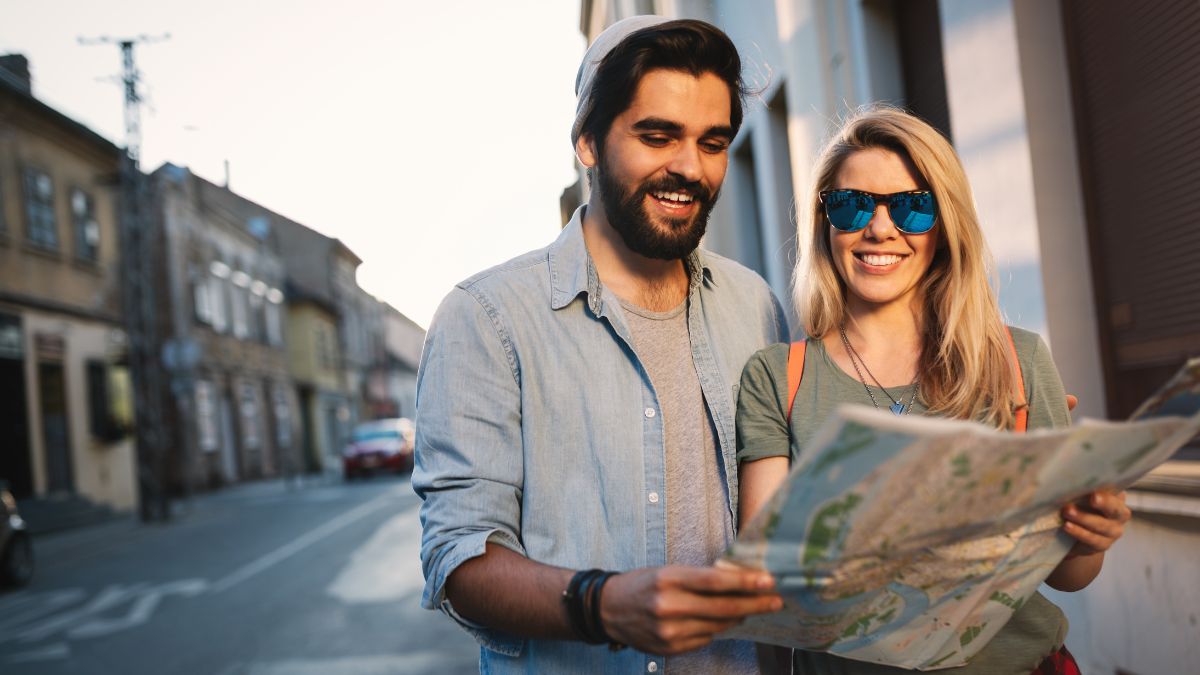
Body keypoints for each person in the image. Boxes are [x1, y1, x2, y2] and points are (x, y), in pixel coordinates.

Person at [413, 16, 790, 674]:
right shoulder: (486, 317)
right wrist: (603, 603)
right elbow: (460, 556)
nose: (689, 167)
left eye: (713, 141)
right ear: (587, 141)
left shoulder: (753, 302)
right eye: (656, 135)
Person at [735, 106, 1131, 674]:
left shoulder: (1017, 362)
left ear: (944, 224)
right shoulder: (778, 378)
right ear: (825, 222)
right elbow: (768, 582)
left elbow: (1066, 576)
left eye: (912, 207)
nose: (879, 229)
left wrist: (1090, 535)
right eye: (851, 205)